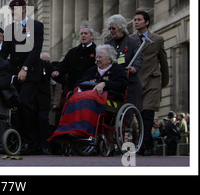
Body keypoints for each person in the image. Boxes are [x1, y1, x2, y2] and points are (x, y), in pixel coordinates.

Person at [48, 44, 128, 141]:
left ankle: (82, 130)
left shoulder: (117, 70)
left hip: (109, 99)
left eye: (100, 57)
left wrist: (105, 84)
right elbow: (80, 82)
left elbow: (122, 85)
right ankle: (67, 129)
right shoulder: (92, 70)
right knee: (73, 98)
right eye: (97, 57)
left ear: (109, 59)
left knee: (88, 98)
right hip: (89, 96)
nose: (97, 59)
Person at [0, 0, 44, 154]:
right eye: (11, 10)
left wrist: (25, 68)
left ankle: (31, 143)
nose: (12, 13)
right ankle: (17, 141)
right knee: (14, 107)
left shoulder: (36, 26)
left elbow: (35, 50)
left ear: (24, 9)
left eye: (15, 10)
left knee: (26, 104)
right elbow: (4, 52)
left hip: (30, 73)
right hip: (14, 74)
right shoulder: (10, 29)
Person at [132, 10, 169, 156]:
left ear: (147, 22)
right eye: (135, 20)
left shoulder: (158, 39)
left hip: (153, 80)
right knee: (139, 115)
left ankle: (146, 144)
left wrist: (164, 81)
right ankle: (144, 143)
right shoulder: (131, 40)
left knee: (148, 114)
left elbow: (163, 61)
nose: (136, 22)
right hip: (137, 82)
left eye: (139, 20)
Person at [105, 14, 143, 110]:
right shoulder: (107, 44)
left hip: (129, 81)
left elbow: (138, 58)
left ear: (121, 28)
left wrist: (134, 68)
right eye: (109, 29)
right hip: (113, 81)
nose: (111, 31)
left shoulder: (133, 42)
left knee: (130, 110)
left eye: (113, 28)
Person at [51, 25, 97, 94]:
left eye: (85, 33)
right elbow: (63, 66)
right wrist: (57, 72)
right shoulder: (72, 52)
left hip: (90, 90)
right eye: (81, 34)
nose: (83, 35)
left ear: (92, 36)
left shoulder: (97, 51)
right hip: (73, 89)